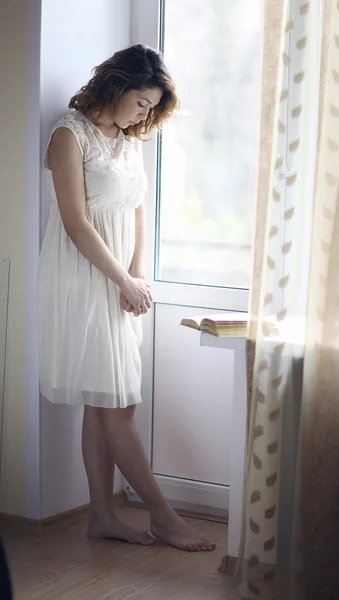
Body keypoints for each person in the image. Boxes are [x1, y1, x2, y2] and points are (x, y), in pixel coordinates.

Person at [37, 44, 215, 553]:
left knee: (102, 404)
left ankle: (101, 516)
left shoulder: (129, 137)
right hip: (83, 276)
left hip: (119, 280)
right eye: (142, 102)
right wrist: (122, 280)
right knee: (120, 407)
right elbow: (75, 223)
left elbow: (137, 208)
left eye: (153, 107)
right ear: (116, 86)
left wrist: (138, 273)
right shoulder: (68, 134)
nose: (146, 114)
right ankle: (163, 515)